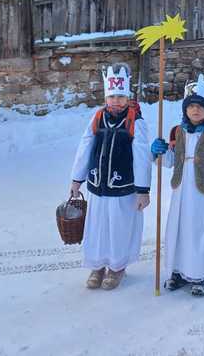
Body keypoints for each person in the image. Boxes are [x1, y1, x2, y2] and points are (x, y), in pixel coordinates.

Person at [152, 74, 204, 296]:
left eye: (200, 106)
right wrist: (159, 152)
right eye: (191, 106)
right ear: (185, 110)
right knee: (179, 233)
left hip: (203, 197)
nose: (195, 110)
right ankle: (178, 271)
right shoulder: (178, 132)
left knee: (200, 235)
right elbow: (171, 161)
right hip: (180, 195)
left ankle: (202, 275)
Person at [70, 63, 151, 290]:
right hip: (98, 186)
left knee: (119, 228)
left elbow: (142, 157)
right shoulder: (98, 118)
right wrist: (77, 179)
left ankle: (117, 266)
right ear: (106, 97)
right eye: (112, 96)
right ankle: (97, 265)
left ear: (128, 97)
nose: (116, 101)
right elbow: (85, 147)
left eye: (121, 96)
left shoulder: (136, 122)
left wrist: (143, 190)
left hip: (123, 189)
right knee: (97, 228)